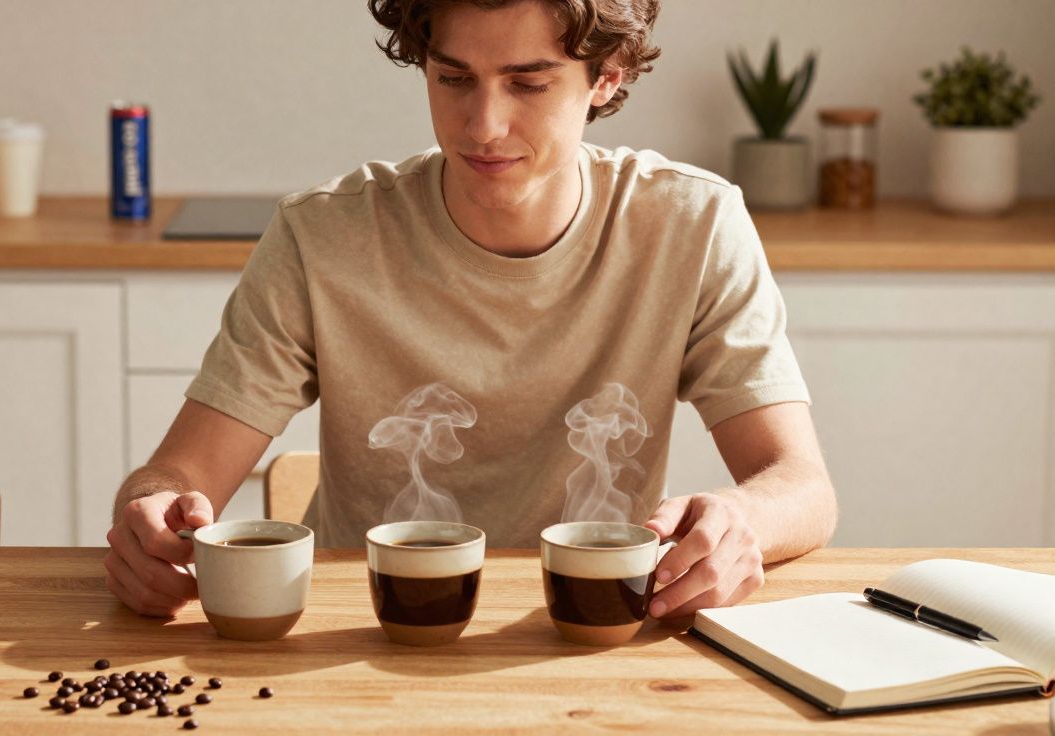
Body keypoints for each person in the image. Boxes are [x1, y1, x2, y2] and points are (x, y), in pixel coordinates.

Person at [105, 0, 837, 622]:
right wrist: (153, 515)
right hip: (364, 632)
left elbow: (801, 485)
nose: (482, 125)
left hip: (591, 630)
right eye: (454, 78)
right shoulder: (323, 237)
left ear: (605, 80)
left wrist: (743, 522)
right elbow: (176, 474)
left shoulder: (693, 226)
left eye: (528, 83)